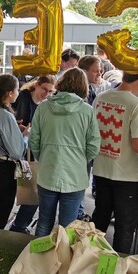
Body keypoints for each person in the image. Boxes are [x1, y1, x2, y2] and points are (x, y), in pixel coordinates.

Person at [29, 68, 100, 236]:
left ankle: (38, 260)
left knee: (44, 221)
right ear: (84, 87)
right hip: (75, 176)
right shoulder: (87, 111)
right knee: (67, 227)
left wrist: (44, 157)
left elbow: (33, 141)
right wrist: (80, 160)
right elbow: (94, 146)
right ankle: (62, 260)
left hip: (47, 172)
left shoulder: (44, 107)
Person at [91, 73, 138, 254]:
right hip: (128, 175)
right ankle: (117, 271)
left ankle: (89, 261)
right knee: (124, 228)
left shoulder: (100, 98)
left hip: (101, 170)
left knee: (99, 222)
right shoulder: (137, 104)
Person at [9, 75, 56, 234]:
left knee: (30, 191)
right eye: (44, 89)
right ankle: (18, 225)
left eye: (50, 91)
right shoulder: (22, 97)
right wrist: (19, 128)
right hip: (18, 153)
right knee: (28, 190)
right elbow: (9, 117)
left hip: (31, 153)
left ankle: (19, 224)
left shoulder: (46, 105)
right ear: (37, 85)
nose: (47, 94)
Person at [0, 75, 26, 229]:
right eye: (17, 90)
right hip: (5, 167)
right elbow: (16, 152)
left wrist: (14, 130)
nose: (18, 93)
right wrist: (21, 135)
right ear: (10, 93)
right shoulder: (6, 115)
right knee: (2, 211)